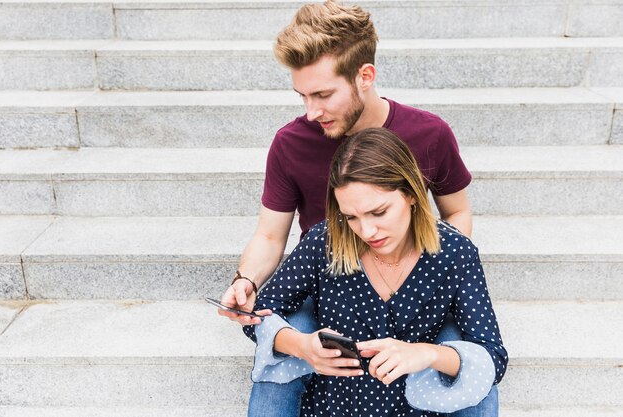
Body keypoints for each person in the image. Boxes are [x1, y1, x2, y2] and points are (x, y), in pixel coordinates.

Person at [217, 1, 499, 415]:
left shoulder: (430, 133)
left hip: (420, 278)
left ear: (365, 76)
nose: (311, 111)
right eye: (302, 96)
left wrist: (431, 276)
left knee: (473, 370)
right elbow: (269, 235)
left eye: (323, 94)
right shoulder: (291, 144)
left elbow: (456, 213)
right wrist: (247, 280)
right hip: (324, 281)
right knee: (281, 362)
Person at [243, 128, 508, 417]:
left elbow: (492, 356)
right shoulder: (325, 241)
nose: (367, 231)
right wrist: (302, 345)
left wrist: (428, 353)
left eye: (379, 212)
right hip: (333, 407)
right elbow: (259, 314)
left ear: (410, 194)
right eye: (351, 217)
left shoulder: (456, 253)